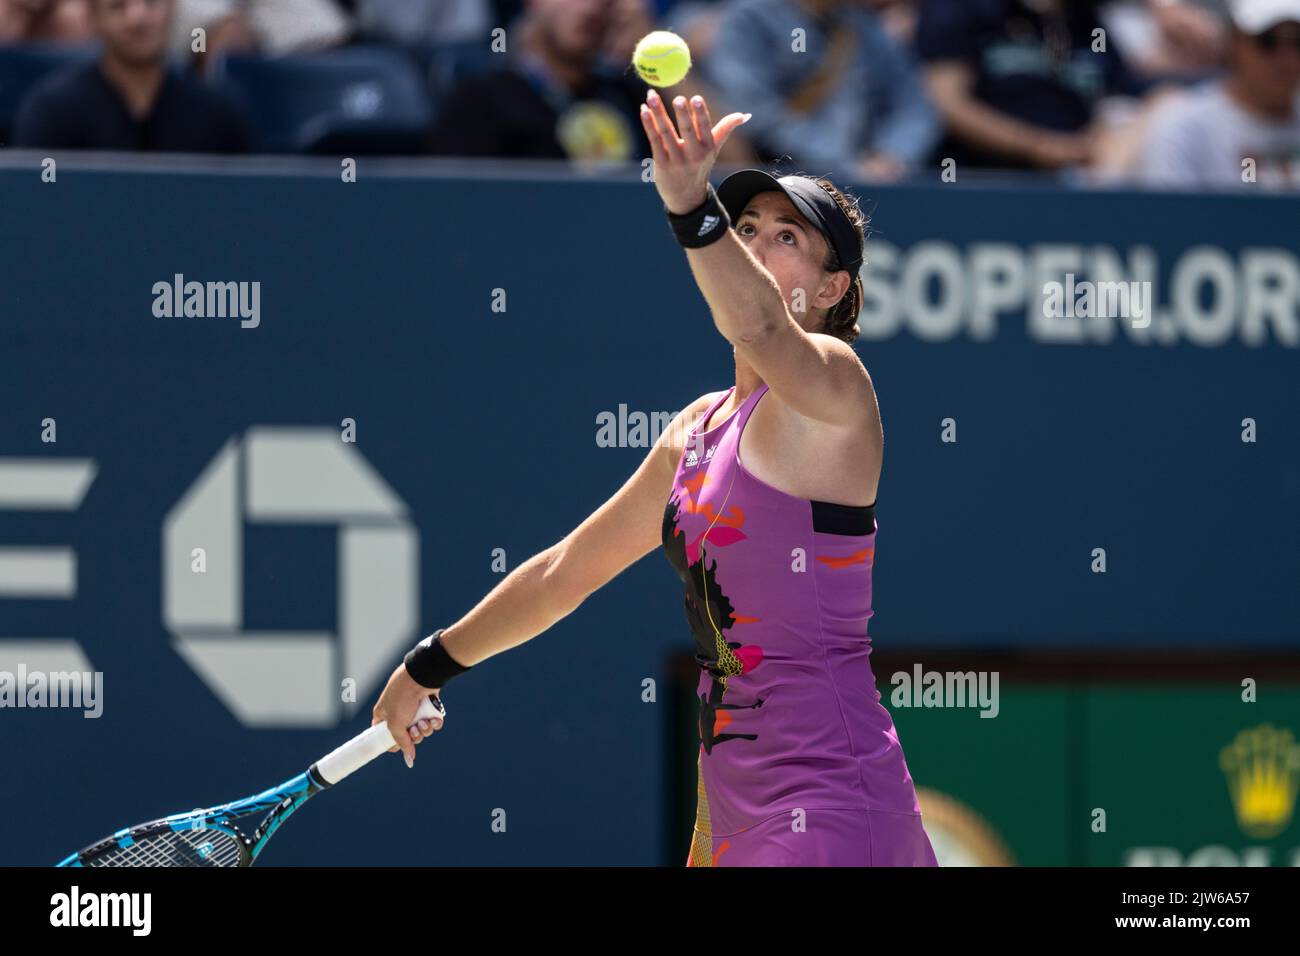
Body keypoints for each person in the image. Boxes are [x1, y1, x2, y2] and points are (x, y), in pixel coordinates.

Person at [373, 86, 938, 866]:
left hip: (837, 807)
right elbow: (565, 572)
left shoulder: (837, 386)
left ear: (835, 289)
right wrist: (428, 664)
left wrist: (691, 210)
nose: (754, 245)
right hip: (737, 815)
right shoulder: (695, 433)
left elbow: (763, 325)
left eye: (786, 238)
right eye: (744, 229)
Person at [704, 0, 939, 182]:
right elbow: (756, 114)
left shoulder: (863, 25)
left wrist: (892, 156)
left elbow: (914, 105)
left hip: (871, 186)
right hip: (783, 182)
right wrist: (848, 165)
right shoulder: (749, 20)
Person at [12, 0, 249, 152]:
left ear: (173, 7)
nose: (137, 18)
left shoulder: (217, 114)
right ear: (93, 17)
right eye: (118, 6)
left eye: (151, 3)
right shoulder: (52, 111)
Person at [1140, 0, 1300, 188]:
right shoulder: (1182, 130)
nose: (1287, 59)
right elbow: (1166, 214)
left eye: (1297, 42)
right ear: (1235, 43)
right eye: (1268, 41)